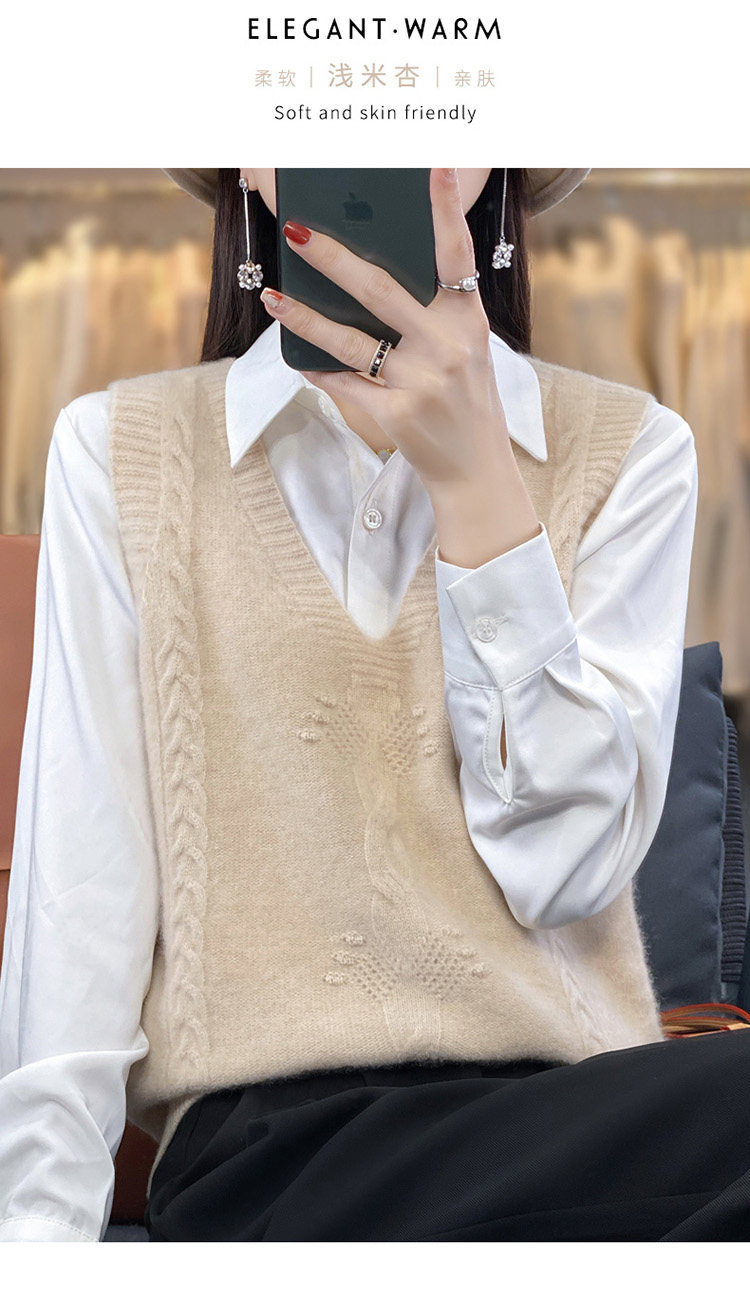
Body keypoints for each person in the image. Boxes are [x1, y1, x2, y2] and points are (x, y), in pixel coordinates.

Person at [0, 166, 746, 1244]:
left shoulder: (631, 449)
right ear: (245, 160)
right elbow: (81, 903)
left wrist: (479, 482)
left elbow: (563, 870)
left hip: (580, 1130)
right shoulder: (122, 453)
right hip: (277, 1155)